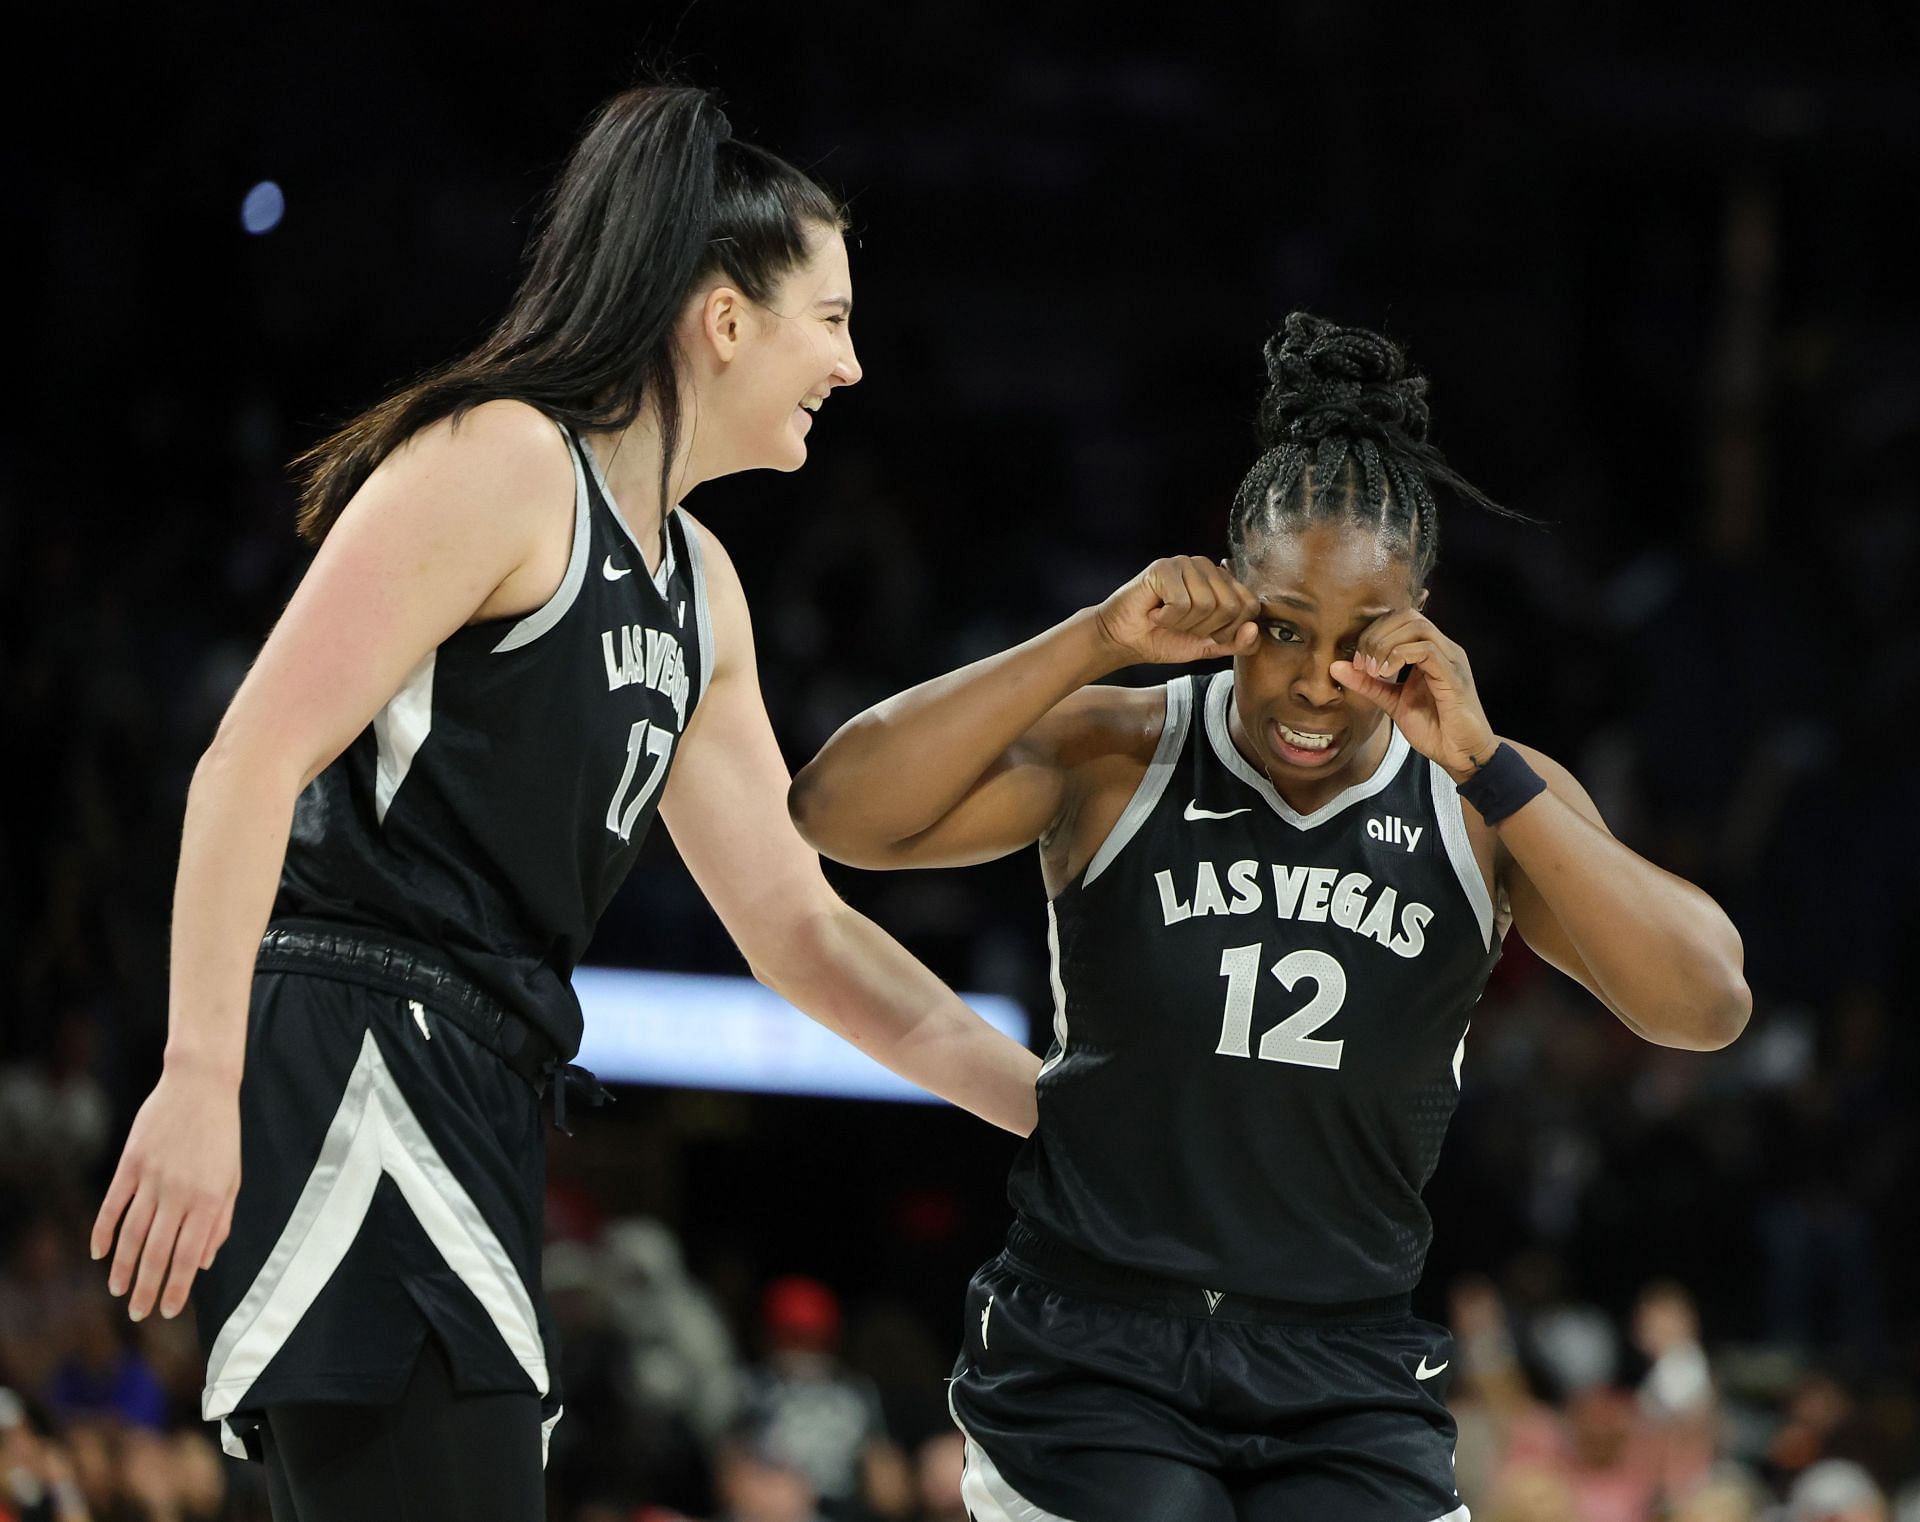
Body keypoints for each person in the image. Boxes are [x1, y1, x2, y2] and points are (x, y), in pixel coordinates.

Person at [87, 84, 1039, 1522]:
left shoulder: (700, 587)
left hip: (483, 1082)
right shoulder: (507, 460)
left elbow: (799, 929)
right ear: (725, 321)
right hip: (357, 1058)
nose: (851, 364)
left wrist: (1047, 1105)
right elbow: (249, 758)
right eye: (831, 319)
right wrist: (198, 1073)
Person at [789, 313, 1751, 1521]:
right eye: (1285, 627)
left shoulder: (1485, 799)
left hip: (1345, 1367)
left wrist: (1490, 760)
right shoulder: (1121, 745)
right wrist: (1096, 639)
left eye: (1360, 643)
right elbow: (836, 809)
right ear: (1233, 592)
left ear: (1424, 616)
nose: (1312, 679)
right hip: (1096, 1349)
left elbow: (1708, 1002)